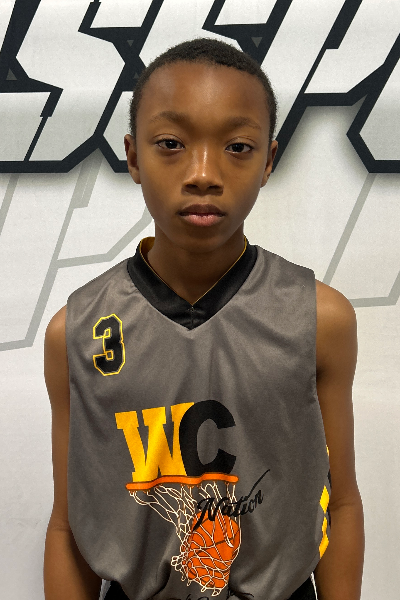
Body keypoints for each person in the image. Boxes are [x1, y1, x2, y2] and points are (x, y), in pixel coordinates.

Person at [43, 38, 364, 600]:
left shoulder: (320, 318)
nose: (203, 173)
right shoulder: (78, 330)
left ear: (268, 161)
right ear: (133, 156)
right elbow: (69, 524)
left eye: (238, 147)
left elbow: (340, 503)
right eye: (171, 143)